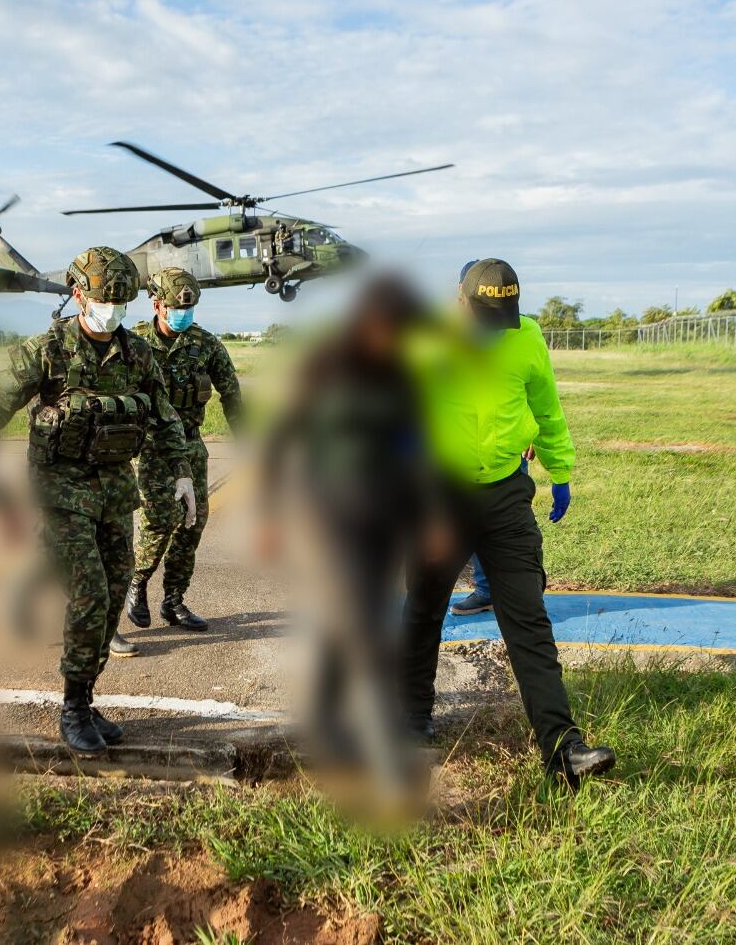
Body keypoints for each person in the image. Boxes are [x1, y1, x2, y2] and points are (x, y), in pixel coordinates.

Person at [401, 258, 615, 788]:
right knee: (425, 610)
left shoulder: (526, 336)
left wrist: (560, 468)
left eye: (503, 317)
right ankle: (409, 718)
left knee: (528, 617)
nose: (494, 329)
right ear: (460, 301)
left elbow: (546, 406)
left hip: (506, 495)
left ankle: (562, 748)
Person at [0, 248, 196, 754]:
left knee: (115, 591)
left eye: (121, 301)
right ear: (79, 295)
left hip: (115, 490)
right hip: (58, 490)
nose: (113, 310)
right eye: (104, 299)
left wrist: (182, 473)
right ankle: (72, 708)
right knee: (91, 592)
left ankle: (87, 698)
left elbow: (162, 417)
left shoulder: (137, 353)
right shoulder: (48, 348)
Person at [260, 272, 429, 803]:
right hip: (328, 521)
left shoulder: (402, 375)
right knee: (368, 636)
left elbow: (415, 449)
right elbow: (279, 440)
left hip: (385, 521)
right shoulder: (325, 367)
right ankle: (388, 774)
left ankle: (324, 724)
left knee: (350, 620)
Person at [121, 267, 245, 647]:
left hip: (191, 444)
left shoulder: (204, 344)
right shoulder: (134, 343)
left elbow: (231, 391)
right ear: (157, 304)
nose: (184, 314)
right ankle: (138, 582)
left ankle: (174, 601)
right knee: (160, 520)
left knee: (193, 523)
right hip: (152, 445)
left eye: (189, 307)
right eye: (177, 307)